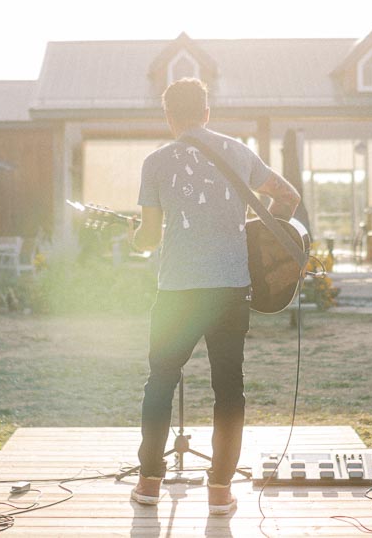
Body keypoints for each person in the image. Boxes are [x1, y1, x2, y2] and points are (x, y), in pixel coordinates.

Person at [126, 78, 301, 515]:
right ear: (206, 113)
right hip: (230, 291)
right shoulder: (239, 152)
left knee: (160, 381)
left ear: (168, 117)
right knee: (229, 388)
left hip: (178, 293)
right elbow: (288, 197)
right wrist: (261, 242)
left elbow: (147, 239)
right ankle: (220, 491)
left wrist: (136, 238)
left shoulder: (156, 161)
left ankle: (149, 483)